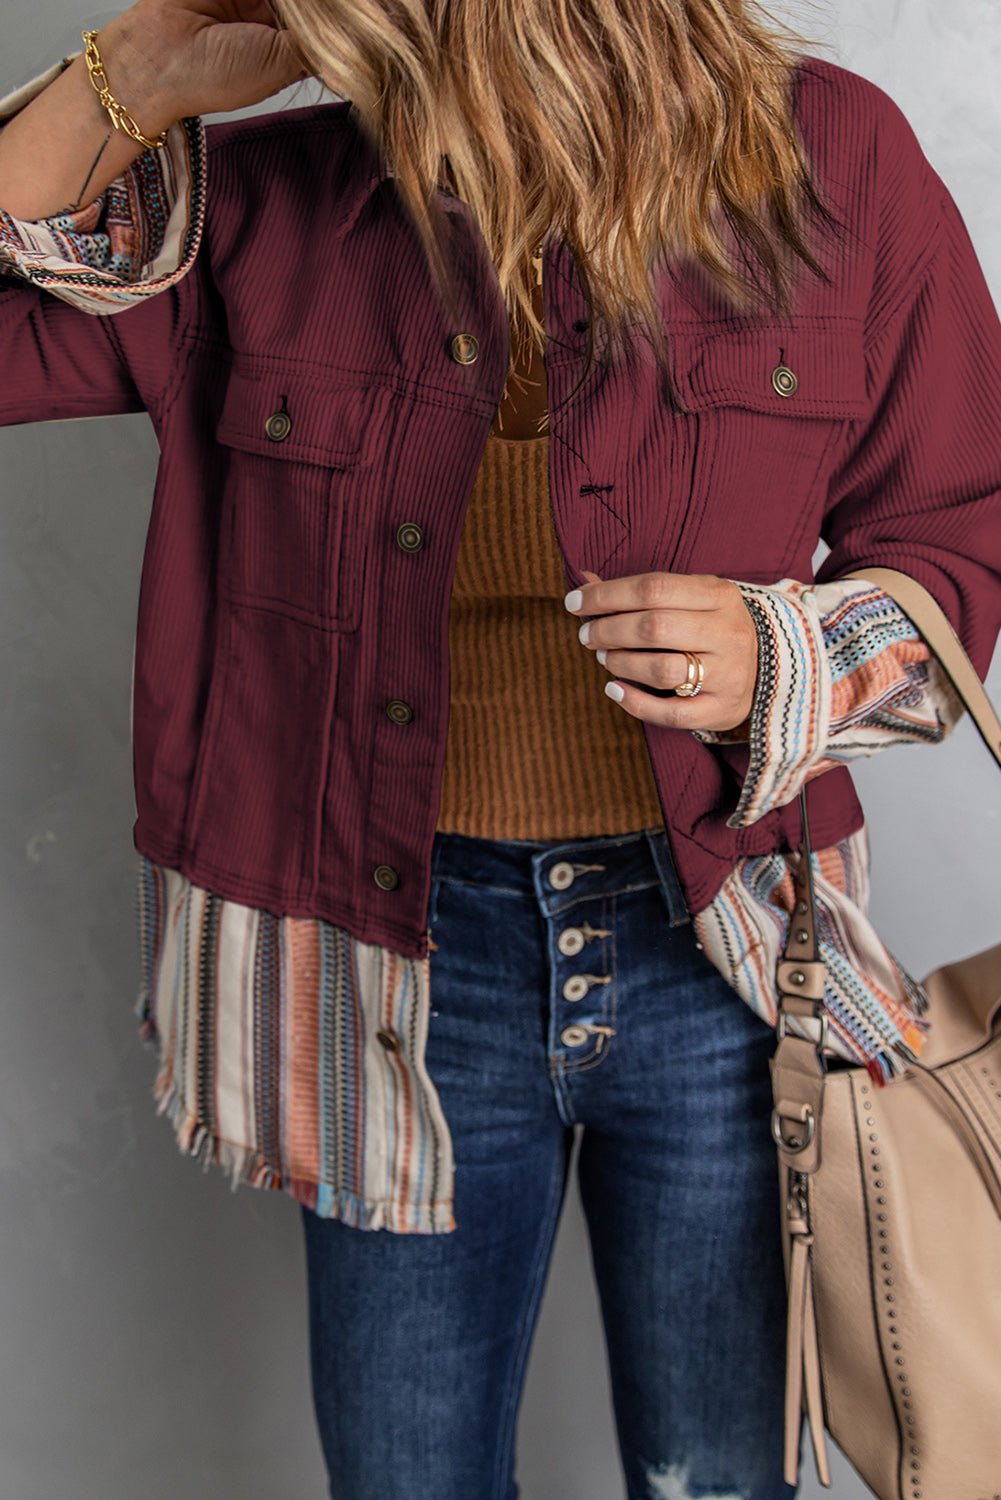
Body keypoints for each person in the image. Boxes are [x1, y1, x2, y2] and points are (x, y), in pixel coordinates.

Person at [1, 2, 999, 1496]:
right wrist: (137, 68)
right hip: (392, 969)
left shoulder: (833, 157)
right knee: (409, 1477)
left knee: (721, 1478)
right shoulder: (260, 202)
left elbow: (960, 528)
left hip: (731, 953)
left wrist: (780, 656)